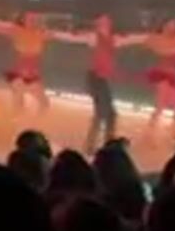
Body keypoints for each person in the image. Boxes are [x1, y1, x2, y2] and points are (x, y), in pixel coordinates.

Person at [58, 15, 147, 154]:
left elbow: (132, 39)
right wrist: (53, 33)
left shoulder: (114, 39)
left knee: (108, 114)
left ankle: (99, 145)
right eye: (102, 22)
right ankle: (97, 145)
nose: (105, 24)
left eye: (107, 22)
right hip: (94, 78)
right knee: (104, 113)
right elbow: (73, 38)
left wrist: (150, 36)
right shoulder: (93, 37)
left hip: (101, 79)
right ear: (98, 25)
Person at [0, 12, 61, 116]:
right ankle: (15, 120)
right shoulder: (17, 30)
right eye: (30, 18)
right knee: (19, 97)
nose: (32, 20)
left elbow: (55, 34)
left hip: (31, 74)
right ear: (23, 20)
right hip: (18, 72)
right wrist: (3, 24)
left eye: (34, 18)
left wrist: (48, 28)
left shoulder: (39, 33)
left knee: (44, 103)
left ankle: (33, 121)